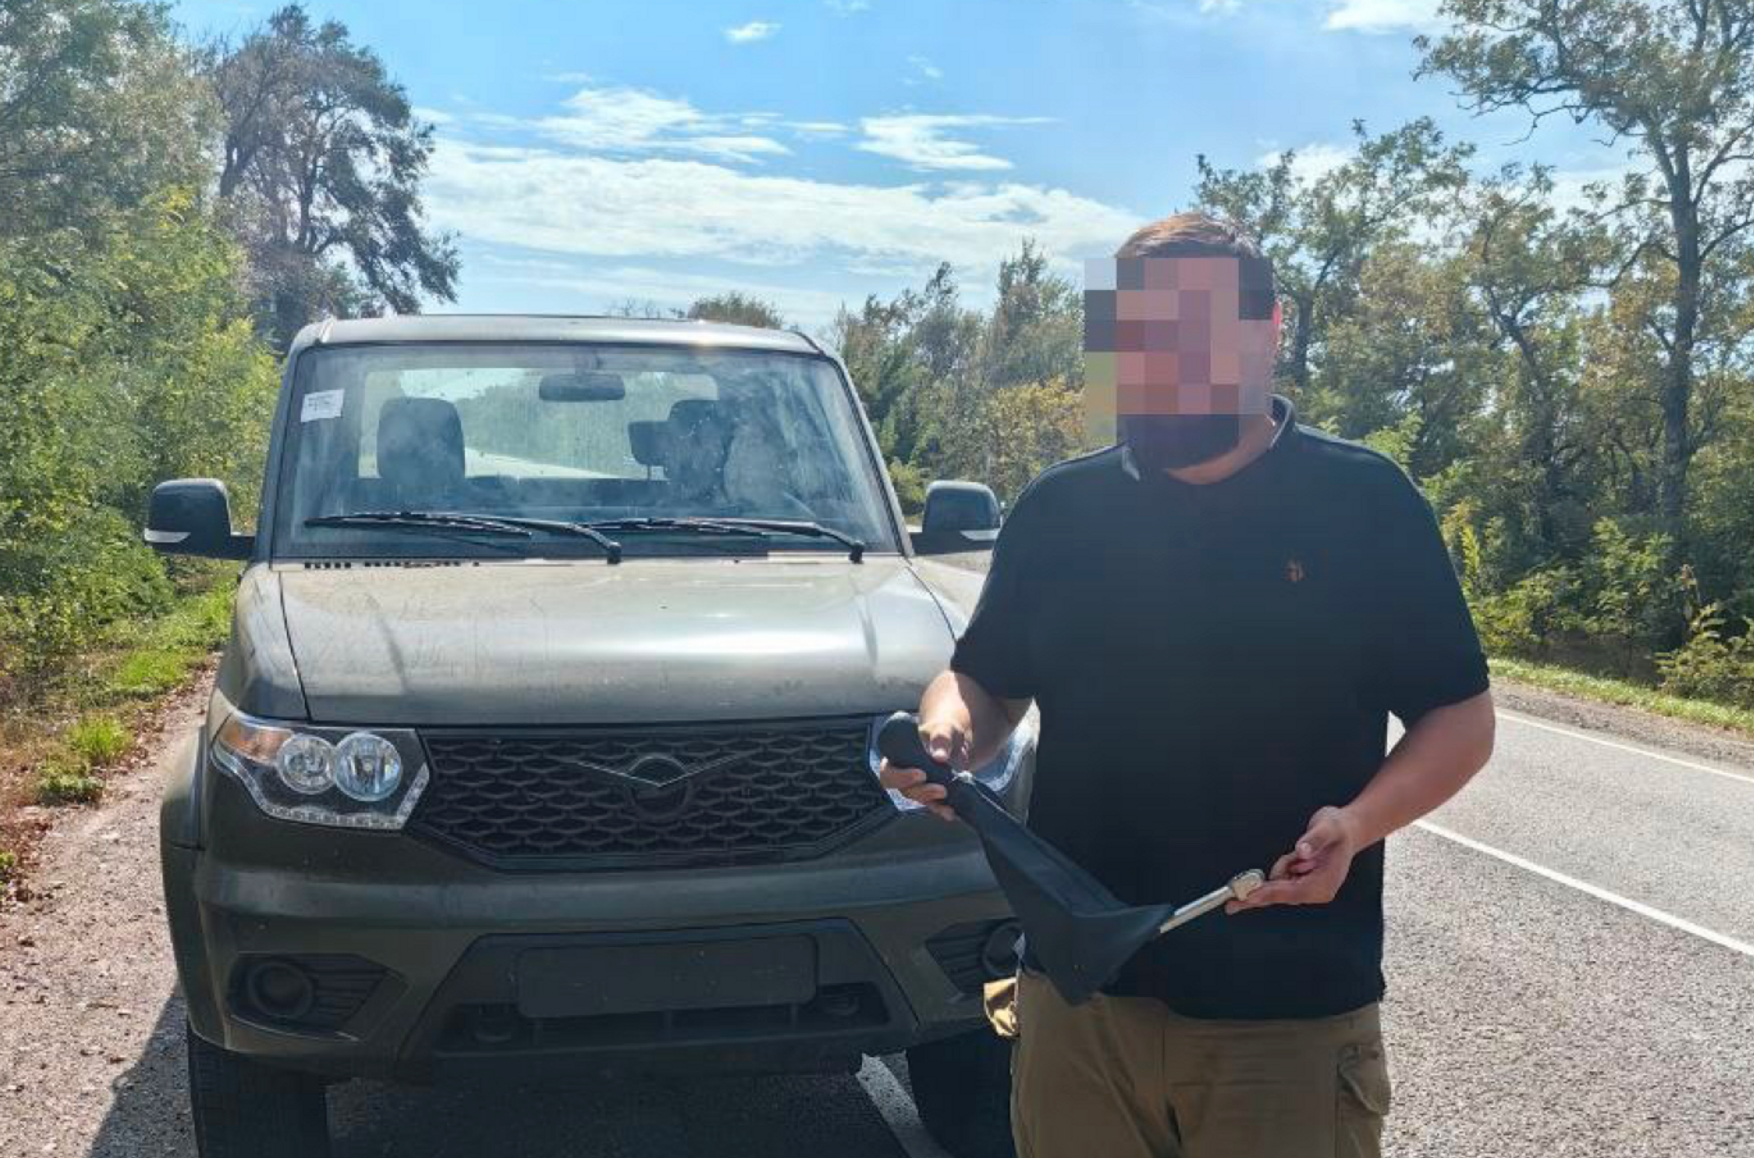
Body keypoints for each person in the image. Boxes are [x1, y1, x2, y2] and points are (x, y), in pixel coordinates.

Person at [880, 212, 1496, 1158]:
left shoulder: (1364, 503)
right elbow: (985, 679)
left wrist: (1358, 823)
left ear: (1267, 329)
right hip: (1078, 1001)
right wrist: (949, 732)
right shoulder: (1061, 509)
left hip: (1287, 1014)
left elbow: (1460, 716)